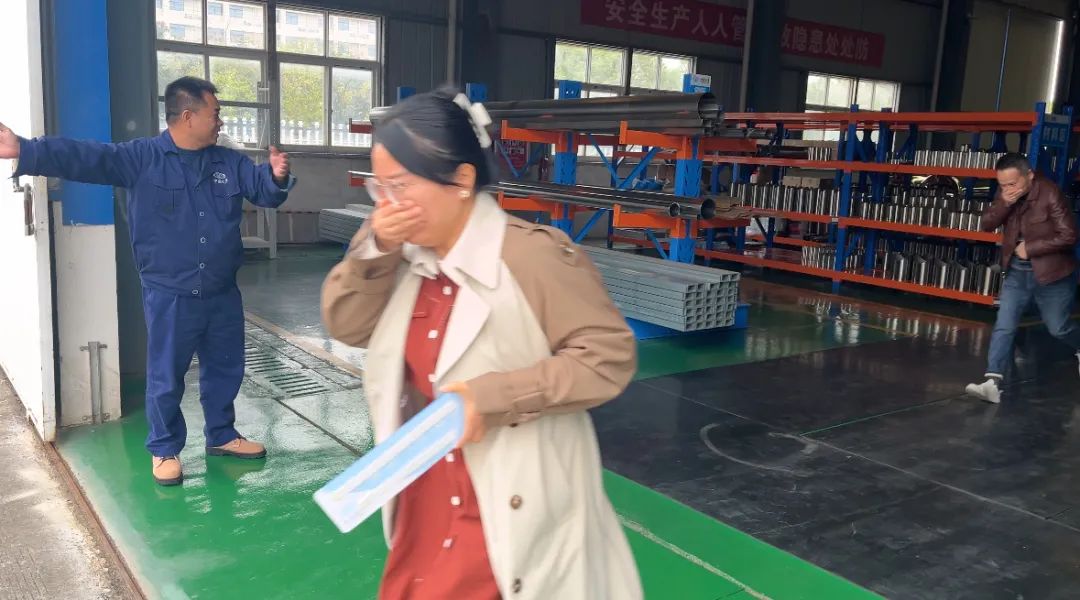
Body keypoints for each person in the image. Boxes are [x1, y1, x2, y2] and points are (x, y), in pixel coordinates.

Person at [321, 88, 642, 599]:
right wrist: (375, 248)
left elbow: (607, 358)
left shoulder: (530, 257)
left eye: (401, 186)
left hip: (510, 505)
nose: (387, 205)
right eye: (379, 189)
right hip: (425, 498)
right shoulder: (402, 257)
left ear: (462, 181)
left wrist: (494, 397)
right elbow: (347, 325)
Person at [0, 76, 295, 485]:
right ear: (188, 116)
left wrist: (276, 177)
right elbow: (87, 157)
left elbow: (263, 190)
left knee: (225, 368)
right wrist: (26, 149)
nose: (220, 121)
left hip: (221, 291)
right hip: (170, 293)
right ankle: (165, 448)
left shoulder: (229, 162)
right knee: (166, 376)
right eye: (215, 113)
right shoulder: (142, 158)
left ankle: (222, 435)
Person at [966, 153, 1080, 403]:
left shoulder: (1050, 193)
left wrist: (1031, 247)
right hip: (1017, 271)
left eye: (1012, 184)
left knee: (1058, 327)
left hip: (1052, 273)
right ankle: (992, 382)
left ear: (1029, 176)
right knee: (1004, 324)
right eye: (1003, 185)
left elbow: (1069, 235)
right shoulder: (1006, 194)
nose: (1008, 189)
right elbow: (986, 223)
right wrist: (1004, 204)